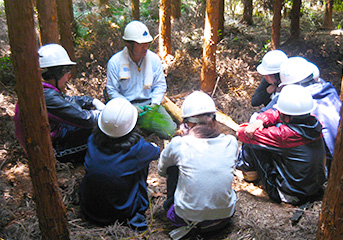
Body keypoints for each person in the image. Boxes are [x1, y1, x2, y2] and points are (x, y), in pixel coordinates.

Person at [158, 91, 238, 239]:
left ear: (188, 124)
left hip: (184, 219)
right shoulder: (231, 142)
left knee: (173, 166)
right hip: (223, 219)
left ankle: (175, 210)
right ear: (214, 120)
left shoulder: (179, 145)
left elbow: (161, 170)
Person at [13, 43, 105, 163]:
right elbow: (84, 119)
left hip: (50, 138)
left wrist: (91, 101)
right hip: (50, 151)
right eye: (66, 70)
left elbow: (66, 101)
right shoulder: (45, 96)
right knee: (100, 132)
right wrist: (106, 114)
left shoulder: (40, 89)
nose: (69, 75)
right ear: (55, 73)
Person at [237, 85, 326, 205]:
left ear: (287, 117)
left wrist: (254, 124)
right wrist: (260, 121)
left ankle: (250, 174)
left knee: (253, 143)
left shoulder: (284, 135)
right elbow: (277, 114)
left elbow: (243, 133)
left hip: (289, 195)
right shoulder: (314, 123)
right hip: (313, 189)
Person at [79, 98, 160, 230]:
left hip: (89, 210)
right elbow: (156, 152)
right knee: (142, 163)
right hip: (121, 213)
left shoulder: (92, 139)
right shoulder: (138, 149)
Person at [258, 57, 341, 175]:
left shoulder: (299, 99)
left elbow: (260, 115)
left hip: (324, 165)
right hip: (339, 156)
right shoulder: (328, 90)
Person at [105, 20, 177, 139]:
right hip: (124, 109)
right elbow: (112, 91)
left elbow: (160, 85)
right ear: (128, 44)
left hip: (149, 106)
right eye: (140, 44)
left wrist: (154, 104)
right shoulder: (115, 62)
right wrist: (129, 108)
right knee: (119, 138)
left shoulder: (153, 59)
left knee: (169, 132)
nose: (145, 47)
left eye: (146, 43)